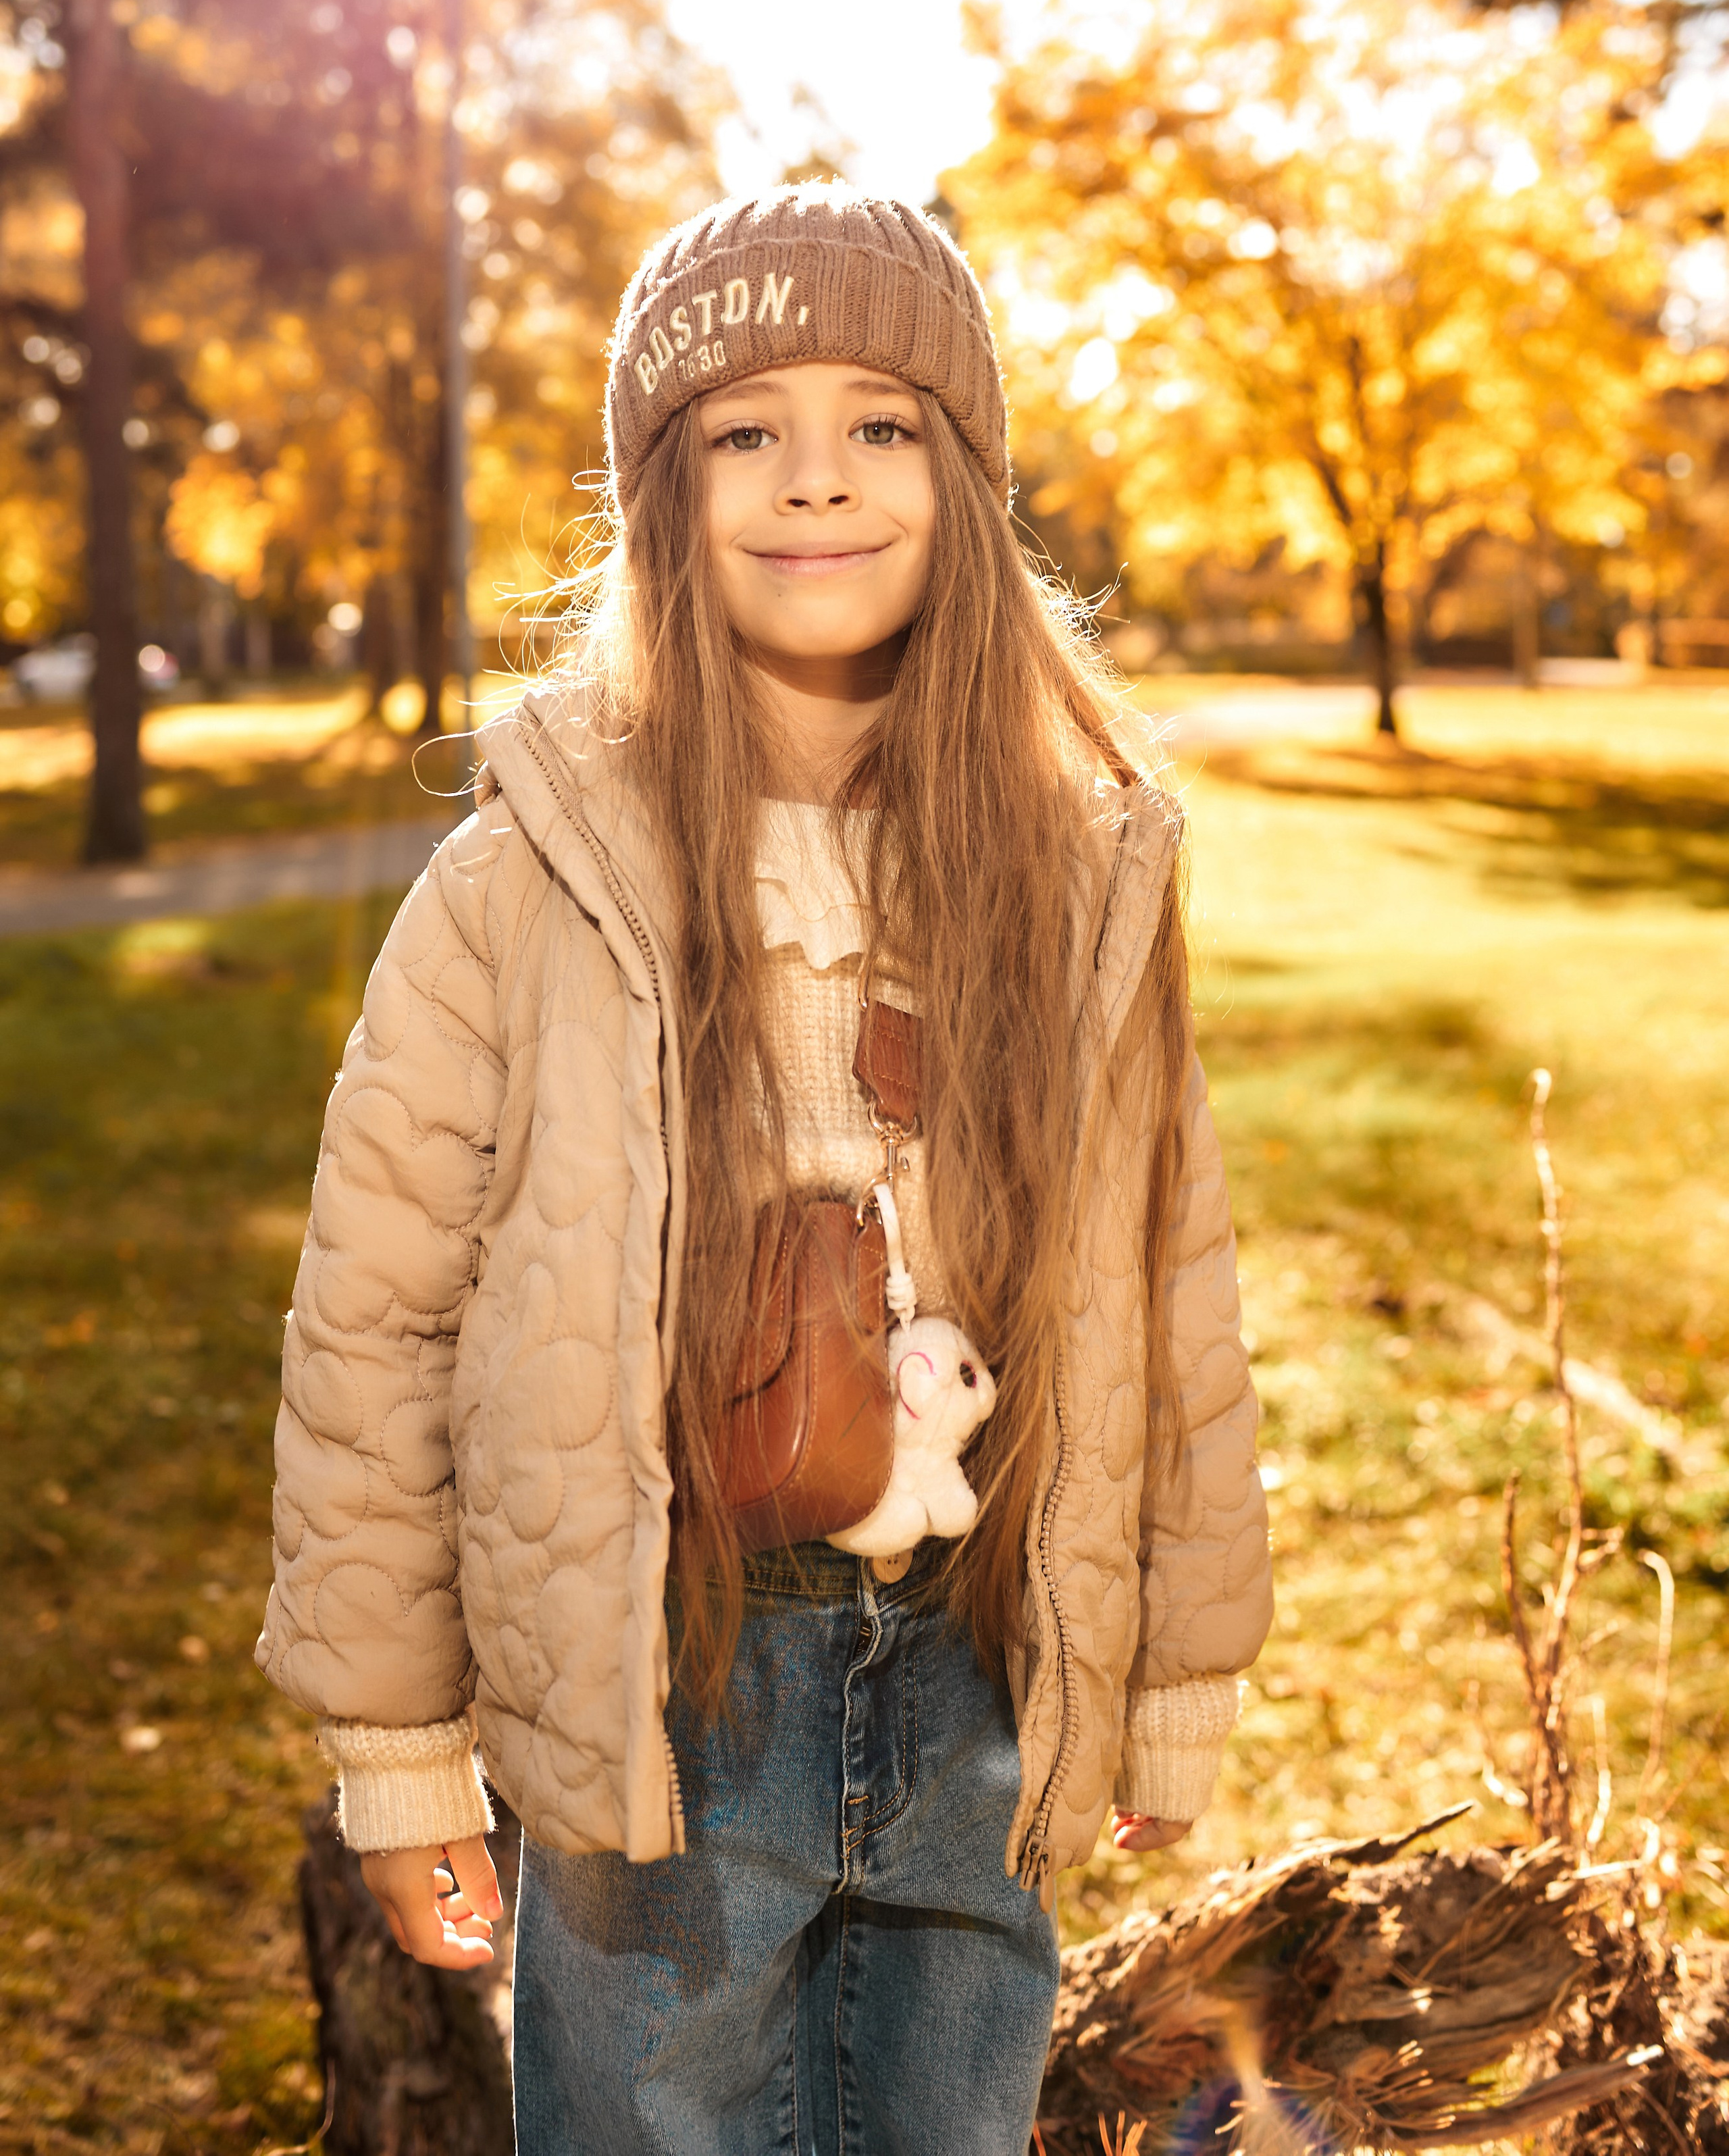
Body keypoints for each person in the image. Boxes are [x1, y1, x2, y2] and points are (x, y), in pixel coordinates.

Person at [256, 186, 1272, 2155]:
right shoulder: (525, 879)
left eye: (883, 424)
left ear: (964, 480)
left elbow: (1174, 1275)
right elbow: (377, 1320)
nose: (817, 481)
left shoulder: (1074, 871)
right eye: (746, 429)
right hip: (668, 1679)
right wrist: (399, 1754)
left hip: (984, 1656)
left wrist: (1174, 1667)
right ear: (661, 488)